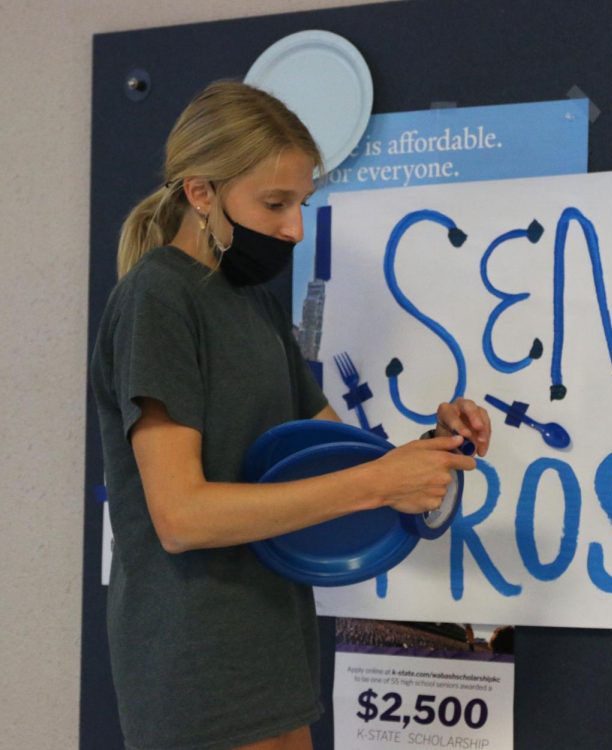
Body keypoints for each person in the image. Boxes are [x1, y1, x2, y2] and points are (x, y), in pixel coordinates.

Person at [90, 80, 491, 750]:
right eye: (275, 203)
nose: (294, 228)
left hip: (273, 651)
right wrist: (379, 482)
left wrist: (431, 448)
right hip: (194, 668)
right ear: (201, 192)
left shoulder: (255, 305)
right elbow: (181, 517)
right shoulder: (158, 299)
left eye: (301, 204)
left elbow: (342, 463)